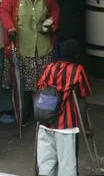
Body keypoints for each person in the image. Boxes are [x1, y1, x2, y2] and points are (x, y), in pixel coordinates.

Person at [0, 0, 60, 124]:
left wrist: (52, 25)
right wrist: (10, 28)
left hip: (43, 47)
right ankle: (24, 117)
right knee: (22, 87)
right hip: (21, 46)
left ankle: (44, 117)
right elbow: (4, 10)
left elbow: (54, 9)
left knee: (45, 86)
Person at [36, 40, 92, 176]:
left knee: (45, 165)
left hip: (45, 123)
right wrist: (86, 126)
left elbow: (39, 87)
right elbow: (83, 97)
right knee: (67, 167)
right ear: (76, 54)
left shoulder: (49, 67)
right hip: (66, 127)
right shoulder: (77, 70)